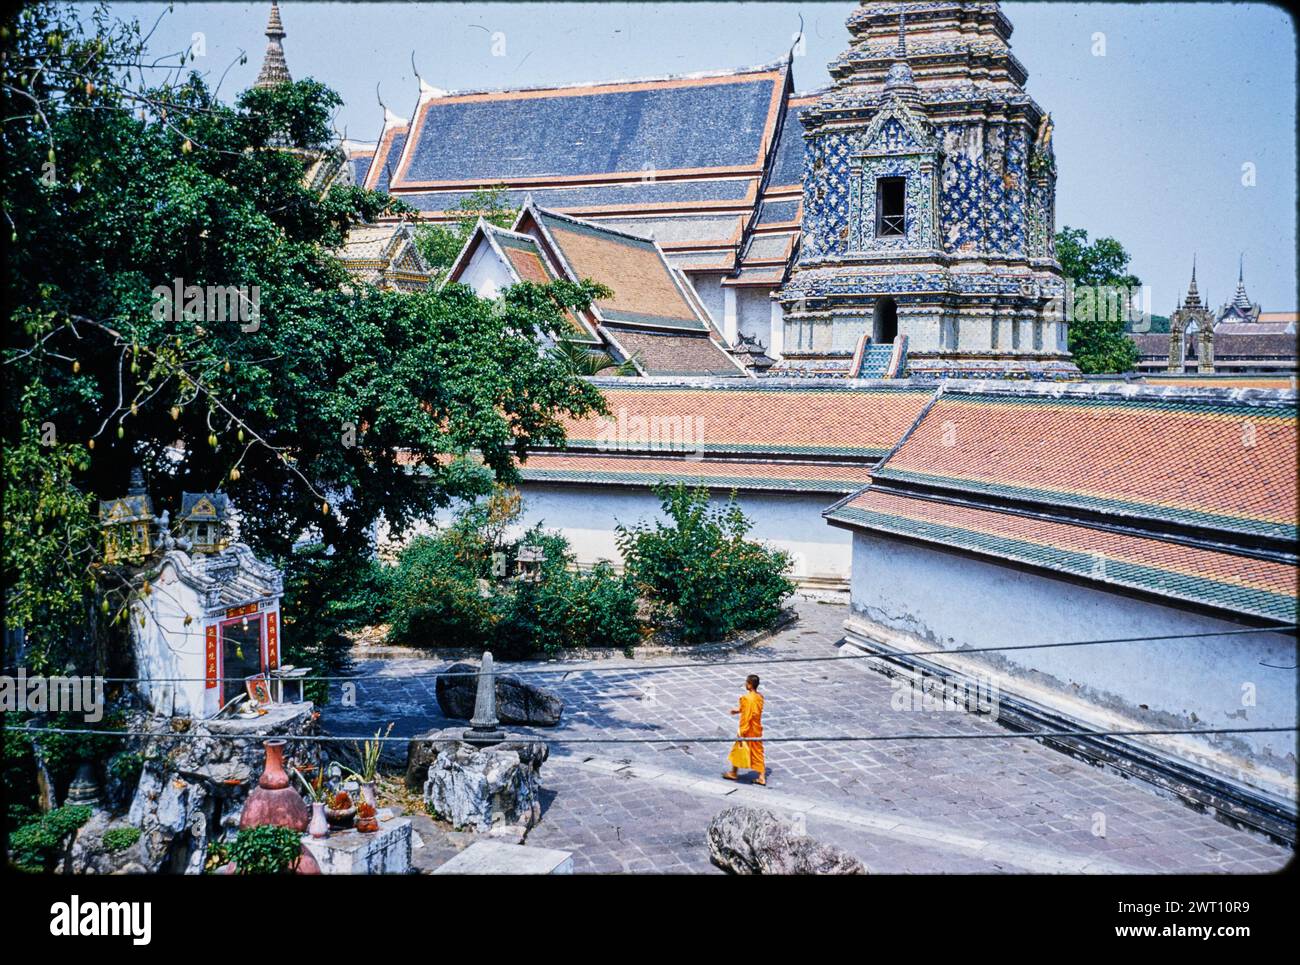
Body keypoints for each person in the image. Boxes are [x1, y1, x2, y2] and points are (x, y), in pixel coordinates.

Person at [723, 674, 765, 786]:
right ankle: (761, 777)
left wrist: (742, 731)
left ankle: (733, 772)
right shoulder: (759, 697)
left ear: (750, 685)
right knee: (757, 751)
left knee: (738, 748)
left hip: (748, 729)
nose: (745, 684)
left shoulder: (747, 698)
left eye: (746, 682)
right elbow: (751, 710)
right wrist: (737, 711)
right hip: (757, 729)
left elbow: (748, 716)